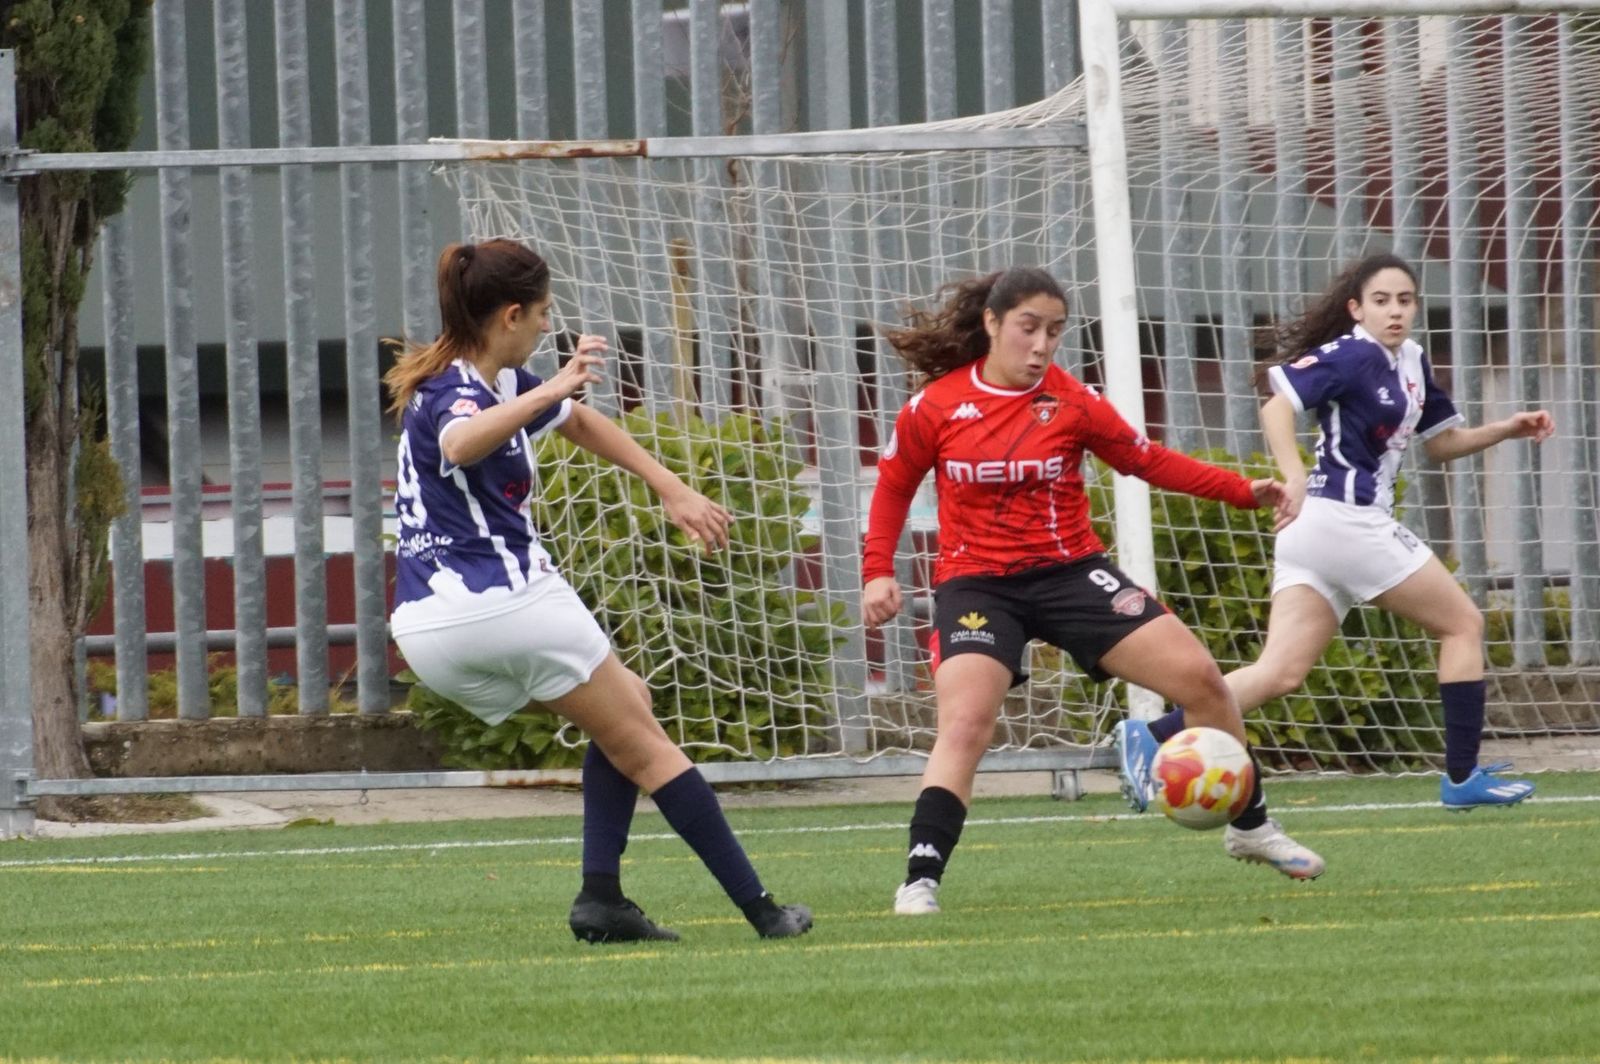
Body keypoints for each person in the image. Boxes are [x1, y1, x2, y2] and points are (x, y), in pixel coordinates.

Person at [384, 239, 812, 943]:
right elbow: (461, 444)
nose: (547, 328)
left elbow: (578, 421)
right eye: (543, 314)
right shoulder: (463, 391)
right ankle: (763, 910)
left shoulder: (482, 379)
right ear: (511, 314)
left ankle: (602, 899)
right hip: (504, 603)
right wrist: (554, 386)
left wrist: (669, 486)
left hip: (429, 628)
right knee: (645, 746)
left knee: (623, 709)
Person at [861, 267, 1322, 917]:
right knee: (966, 719)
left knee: (1202, 681)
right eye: (1028, 328)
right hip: (978, 584)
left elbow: (1146, 460)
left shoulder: (1070, 401)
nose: (1042, 344)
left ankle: (1252, 830)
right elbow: (892, 488)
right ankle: (919, 878)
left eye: (1054, 331)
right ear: (992, 325)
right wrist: (877, 569)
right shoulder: (935, 406)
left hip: (1072, 573)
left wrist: (1244, 490)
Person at [1118, 253, 1553, 813]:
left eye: (1404, 300)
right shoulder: (1352, 354)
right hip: (1344, 521)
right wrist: (1293, 475)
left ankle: (1148, 736)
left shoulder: (1414, 361)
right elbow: (1277, 406)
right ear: (1356, 309)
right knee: (1463, 624)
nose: (1394, 311)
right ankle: (1463, 776)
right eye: (1380, 300)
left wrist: (1506, 429)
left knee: (1280, 672)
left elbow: (1442, 444)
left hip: (1319, 535)